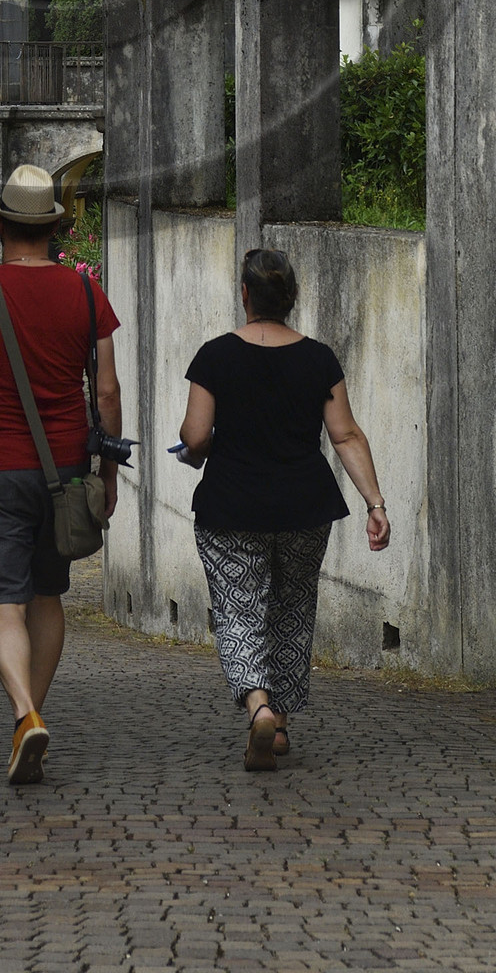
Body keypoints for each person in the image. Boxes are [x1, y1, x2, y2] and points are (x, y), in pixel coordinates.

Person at [0, 163, 123, 785]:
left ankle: (24, 714)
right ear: (54, 228)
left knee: (4, 602)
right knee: (48, 594)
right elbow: (107, 390)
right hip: (64, 466)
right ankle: (30, 717)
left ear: (0, 223)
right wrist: (108, 471)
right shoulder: (88, 294)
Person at [177, 245, 389, 770]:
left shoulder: (215, 355)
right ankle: (282, 727)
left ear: (244, 294)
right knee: (293, 608)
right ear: (292, 297)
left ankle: (259, 708)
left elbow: (196, 435)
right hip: (304, 505)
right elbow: (345, 435)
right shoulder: (318, 358)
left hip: (231, 507)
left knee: (237, 608)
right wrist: (375, 502)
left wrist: (192, 448)